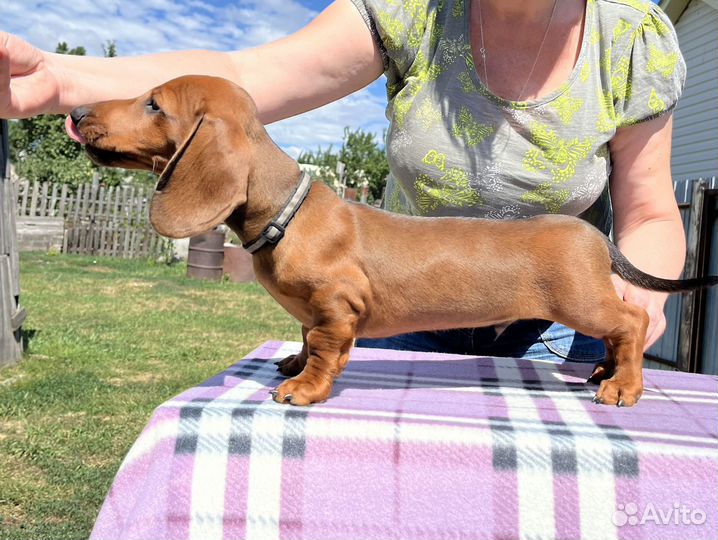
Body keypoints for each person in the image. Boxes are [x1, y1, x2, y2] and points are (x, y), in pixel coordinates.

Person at [0, 0, 686, 362]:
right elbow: (244, 80)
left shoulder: (635, 40)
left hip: (558, 326)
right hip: (399, 317)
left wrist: (637, 295)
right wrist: (60, 82)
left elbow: (652, 210)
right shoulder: (413, 9)